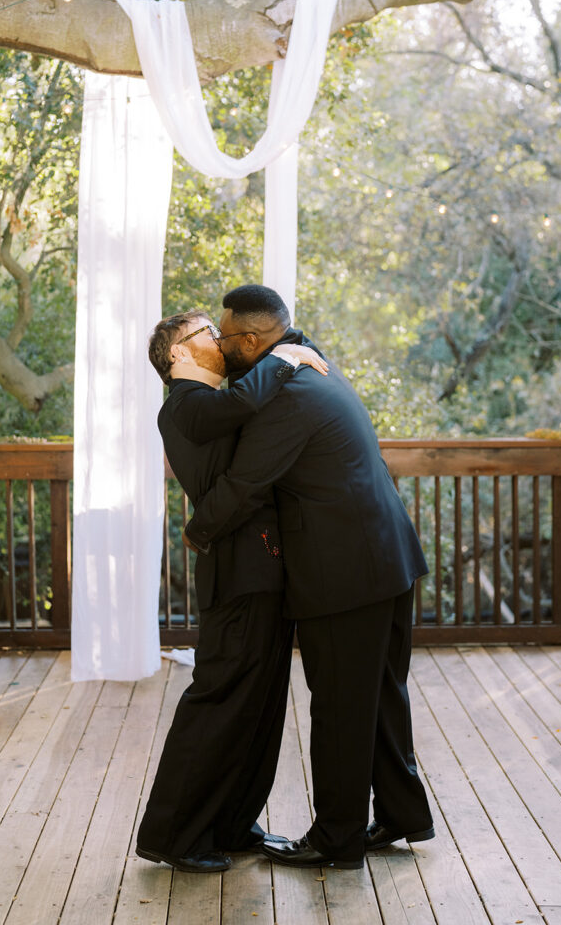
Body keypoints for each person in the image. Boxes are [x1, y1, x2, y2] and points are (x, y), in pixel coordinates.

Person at [184, 285, 434, 870]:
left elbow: (245, 483)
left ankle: (336, 839)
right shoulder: (309, 362)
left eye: (224, 335)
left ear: (251, 340)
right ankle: (402, 814)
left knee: (342, 707)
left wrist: (197, 532)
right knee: (380, 699)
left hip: (346, 573)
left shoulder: (289, 396)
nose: (219, 345)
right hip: (388, 559)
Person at [136, 309, 328, 873]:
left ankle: (232, 823)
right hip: (238, 575)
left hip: (261, 570)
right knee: (219, 701)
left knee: (259, 706)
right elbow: (242, 404)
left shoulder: (214, 403)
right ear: (178, 354)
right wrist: (286, 355)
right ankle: (172, 836)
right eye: (206, 333)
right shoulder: (185, 405)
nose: (219, 339)